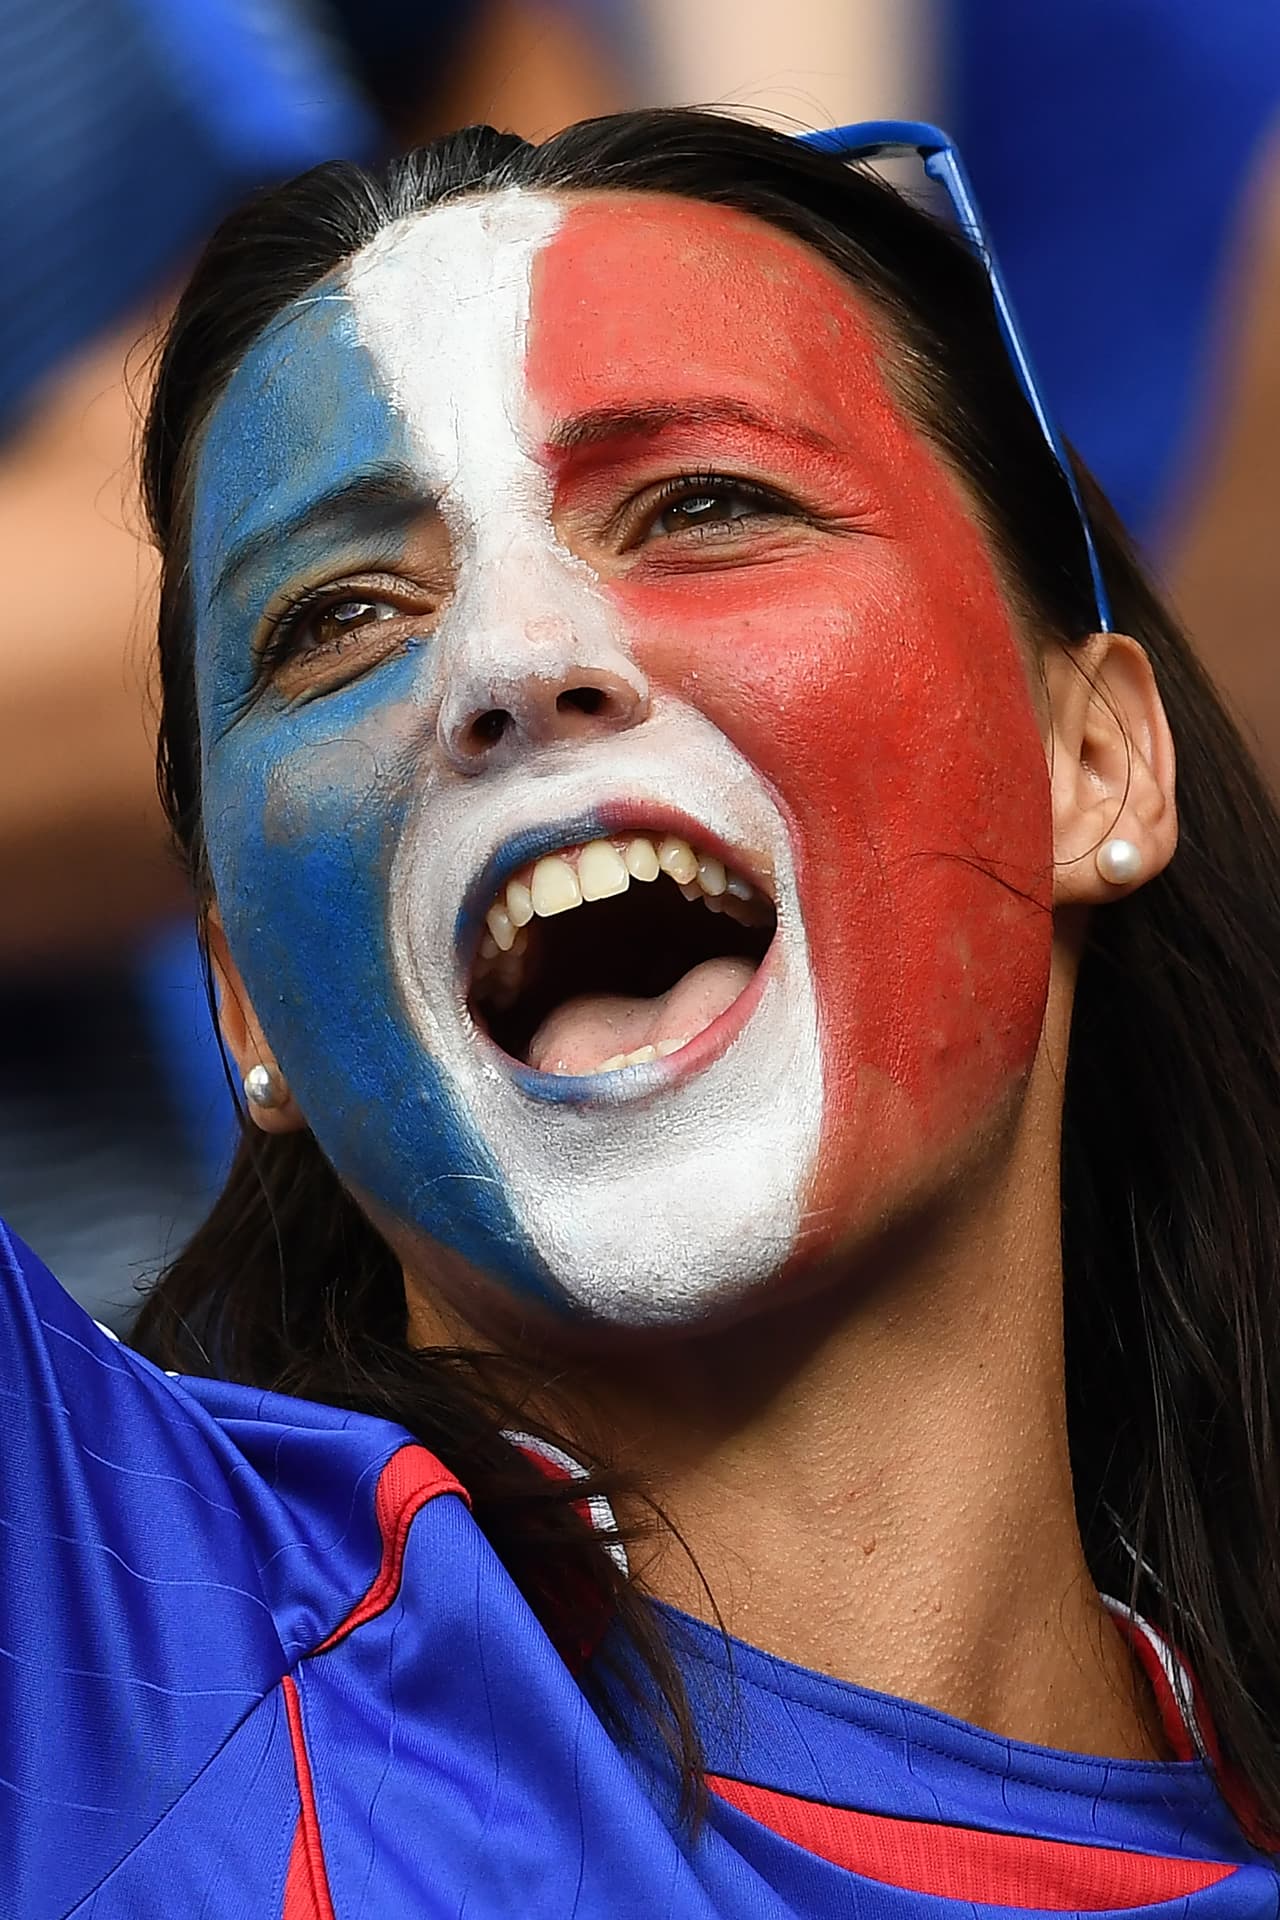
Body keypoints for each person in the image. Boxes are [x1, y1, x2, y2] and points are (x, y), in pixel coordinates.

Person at [4, 107, 1280, 1914]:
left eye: (703, 506)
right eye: (342, 618)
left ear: (1092, 764)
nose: (512, 667)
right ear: (242, 998)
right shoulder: (102, 1665)